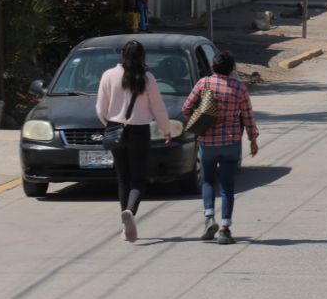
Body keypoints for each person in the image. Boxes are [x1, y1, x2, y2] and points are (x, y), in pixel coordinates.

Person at [96, 40, 172, 242]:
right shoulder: (147, 78)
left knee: (123, 178)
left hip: (115, 129)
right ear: (142, 57)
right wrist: (166, 130)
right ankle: (130, 211)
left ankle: (125, 224)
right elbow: (158, 107)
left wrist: (111, 124)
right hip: (139, 131)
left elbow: (100, 109)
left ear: (122, 54)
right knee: (138, 179)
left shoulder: (108, 75)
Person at [182, 49, 260, 245]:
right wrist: (252, 139)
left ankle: (209, 217)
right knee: (227, 186)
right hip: (231, 143)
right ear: (231, 68)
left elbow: (186, 108)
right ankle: (225, 229)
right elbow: (248, 116)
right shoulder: (239, 88)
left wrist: (198, 123)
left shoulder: (204, 83)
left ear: (213, 66)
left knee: (208, 180)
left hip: (207, 142)